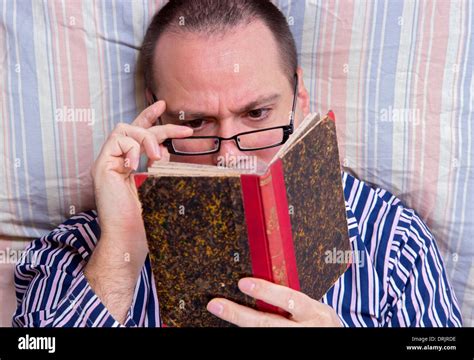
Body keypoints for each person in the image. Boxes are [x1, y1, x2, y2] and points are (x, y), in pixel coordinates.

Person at [13, 0, 462, 327]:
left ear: (299, 101)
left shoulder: (394, 243)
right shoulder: (82, 248)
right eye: (196, 122)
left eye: (257, 114)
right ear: (154, 115)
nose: (230, 156)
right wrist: (120, 251)